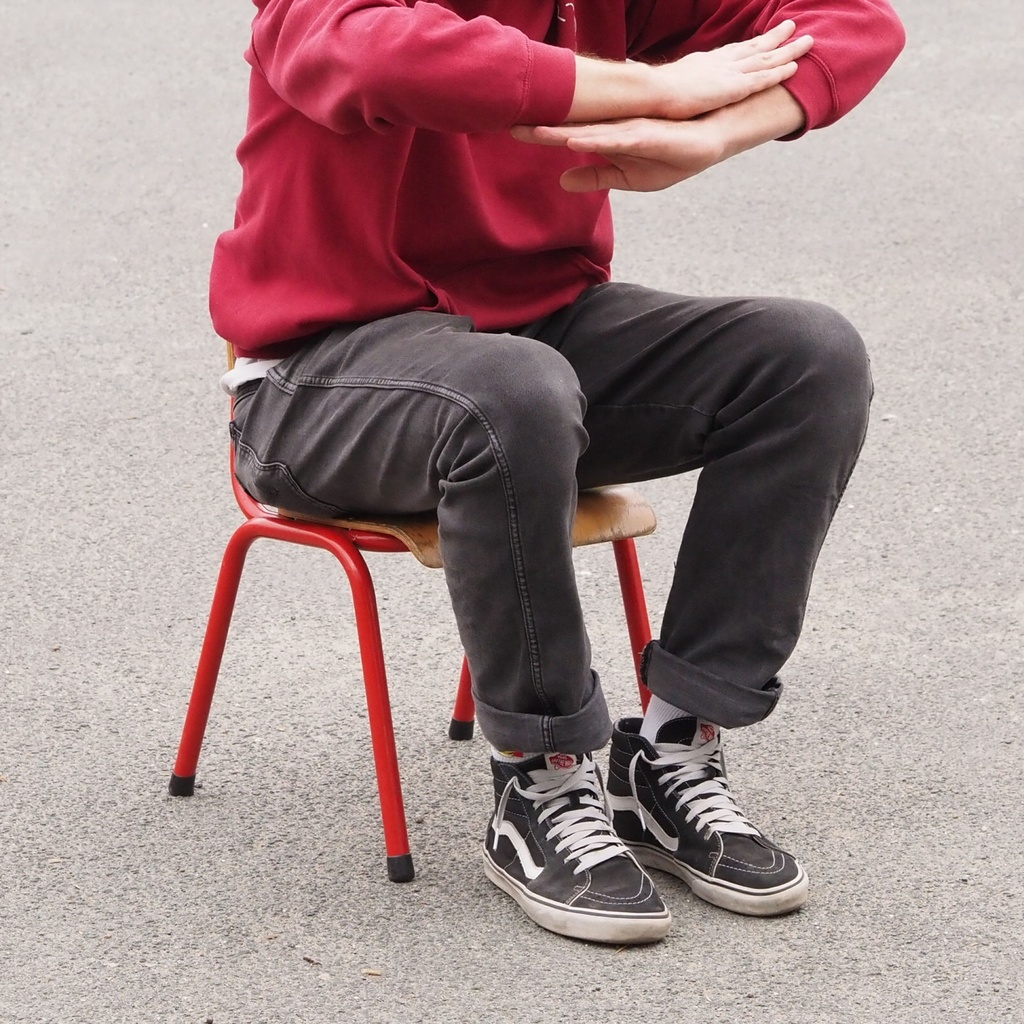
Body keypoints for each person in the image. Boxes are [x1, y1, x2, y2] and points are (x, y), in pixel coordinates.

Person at [210, 0, 905, 944]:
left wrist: (721, 131)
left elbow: (852, 20)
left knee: (807, 359)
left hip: (535, 340)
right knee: (514, 391)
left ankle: (672, 750)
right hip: (317, 379)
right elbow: (378, 55)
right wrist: (656, 87)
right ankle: (540, 781)